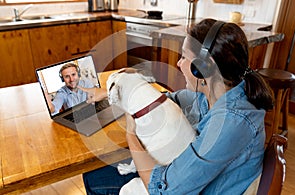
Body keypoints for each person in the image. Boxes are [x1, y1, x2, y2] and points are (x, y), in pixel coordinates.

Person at [81, 18, 274, 194]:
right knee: (98, 171)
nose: (178, 63)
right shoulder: (214, 93)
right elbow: (168, 100)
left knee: (93, 178)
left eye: (184, 57)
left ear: (203, 68)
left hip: (186, 188)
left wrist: (131, 135)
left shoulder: (229, 123)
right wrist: (116, 90)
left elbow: (164, 190)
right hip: (185, 177)